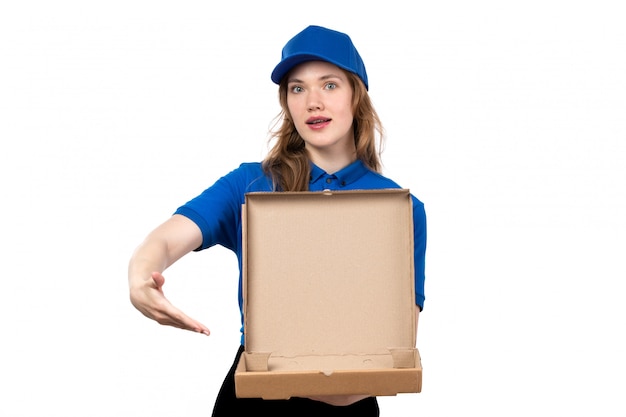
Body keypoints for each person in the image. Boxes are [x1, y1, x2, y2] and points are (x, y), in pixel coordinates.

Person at [128, 24, 427, 416]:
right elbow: (168, 239)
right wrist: (140, 276)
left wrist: (344, 381)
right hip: (256, 403)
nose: (312, 102)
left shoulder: (400, 209)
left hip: (351, 403)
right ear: (286, 102)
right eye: (297, 88)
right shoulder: (251, 184)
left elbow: (396, 340)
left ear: (357, 94)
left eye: (330, 85)